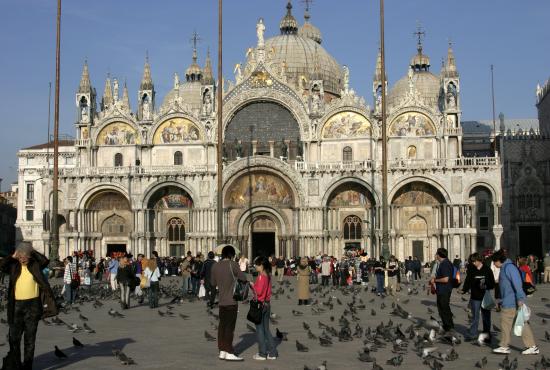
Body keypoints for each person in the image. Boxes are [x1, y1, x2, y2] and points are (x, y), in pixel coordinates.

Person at [0, 242, 57, 370]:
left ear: (29, 256)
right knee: (14, 339)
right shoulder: (14, 266)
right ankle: (16, 364)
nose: (23, 259)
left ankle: (27, 366)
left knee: (30, 340)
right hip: (16, 306)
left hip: (33, 306)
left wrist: (31, 250)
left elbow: (45, 261)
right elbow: (2, 265)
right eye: (21, 256)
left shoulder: (35, 265)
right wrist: (13, 255)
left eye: (25, 256)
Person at [491, 249, 539, 355]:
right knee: (521, 324)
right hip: (509, 300)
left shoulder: (509, 268)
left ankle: (504, 346)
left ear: (499, 260)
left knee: (505, 323)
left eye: (494, 262)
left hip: (510, 302)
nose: (494, 264)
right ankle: (532, 346)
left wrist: (520, 298)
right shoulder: (506, 267)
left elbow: (517, 283)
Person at [211, 245, 247, 361]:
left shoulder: (215, 266)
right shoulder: (233, 265)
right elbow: (243, 278)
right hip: (231, 301)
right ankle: (229, 351)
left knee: (222, 326)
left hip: (221, 301)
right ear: (231, 255)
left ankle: (222, 350)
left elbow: (213, 283)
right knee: (229, 327)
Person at [460, 252, 494, 344]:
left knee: (486, 316)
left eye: (474, 261)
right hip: (475, 296)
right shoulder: (471, 269)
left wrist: (485, 284)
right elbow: (468, 281)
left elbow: (492, 283)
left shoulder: (487, 270)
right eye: (472, 262)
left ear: (479, 260)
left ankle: (486, 335)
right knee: (475, 316)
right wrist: (464, 289)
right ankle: (473, 334)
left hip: (485, 295)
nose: (473, 263)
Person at [250, 256, 278, 361]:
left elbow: (259, 292)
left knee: (260, 330)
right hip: (267, 304)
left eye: (257, 264)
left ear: (261, 266)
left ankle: (262, 354)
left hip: (260, 305)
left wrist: (252, 285)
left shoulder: (261, 276)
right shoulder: (268, 276)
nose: (255, 266)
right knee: (266, 329)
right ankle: (273, 353)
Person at [430, 248, 455, 334]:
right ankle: (447, 325)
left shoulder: (445, 264)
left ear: (439, 255)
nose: (436, 255)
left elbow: (445, 279)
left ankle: (449, 327)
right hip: (443, 289)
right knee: (442, 308)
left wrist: (435, 280)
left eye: (436, 254)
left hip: (444, 290)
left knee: (444, 308)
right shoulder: (445, 263)